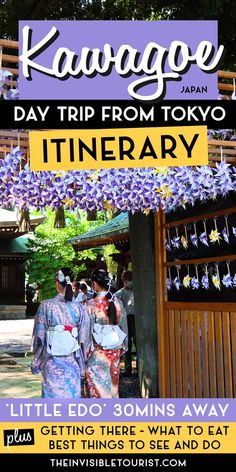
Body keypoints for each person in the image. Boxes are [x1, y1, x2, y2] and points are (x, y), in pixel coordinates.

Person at [31, 267, 90, 398]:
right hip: (72, 360)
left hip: (51, 360)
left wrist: (37, 355)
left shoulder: (46, 305)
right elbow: (84, 339)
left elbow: (39, 336)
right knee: (71, 398)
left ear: (57, 283)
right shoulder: (79, 308)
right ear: (72, 283)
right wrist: (83, 361)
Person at [85, 269, 128, 398]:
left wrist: (84, 353)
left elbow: (86, 332)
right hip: (114, 352)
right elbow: (124, 328)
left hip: (96, 353)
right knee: (112, 387)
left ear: (94, 284)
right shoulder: (117, 302)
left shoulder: (90, 305)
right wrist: (123, 347)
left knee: (96, 389)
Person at [116, 270, 136, 376]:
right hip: (125, 320)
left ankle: (139, 368)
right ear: (123, 281)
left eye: (131, 280)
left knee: (138, 343)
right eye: (128, 280)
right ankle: (128, 369)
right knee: (126, 344)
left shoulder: (138, 292)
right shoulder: (120, 293)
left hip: (136, 319)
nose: (129, 282)